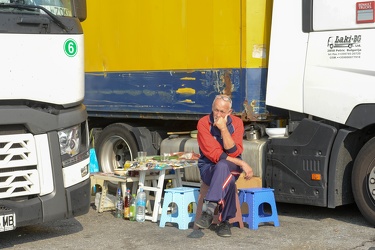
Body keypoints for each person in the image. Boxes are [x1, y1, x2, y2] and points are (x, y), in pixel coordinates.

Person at [195, 94, 253, 237]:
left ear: (229, 112)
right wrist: (242, 163)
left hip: (231, 166)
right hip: (208, 167)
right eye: (216, 110)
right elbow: (214, 154)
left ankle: (209, 210)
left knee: (223, 167)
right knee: (226, 175)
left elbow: (233, 151)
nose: (218, 114)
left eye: (222, 111)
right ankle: (225, 222)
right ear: (212, 108)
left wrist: (223, 129)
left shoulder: (237, 123)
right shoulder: (203, 123)